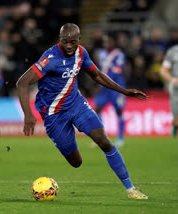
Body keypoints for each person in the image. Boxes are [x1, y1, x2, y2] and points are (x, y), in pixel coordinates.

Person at [16, 23, 148, 199]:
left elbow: (97, 75)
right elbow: (22, 83)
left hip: (77, 104)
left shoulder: (81, 53)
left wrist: (124, 91)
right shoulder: (50, 59)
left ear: (79, 40)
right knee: (76, 162)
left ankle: (130, 189)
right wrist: (28, 114)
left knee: (104, 141)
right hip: (54, 114)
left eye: (73, 41)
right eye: (65, 42)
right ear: (59, 40)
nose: (69, 46)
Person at [94, 33, 126, 147]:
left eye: (108, 42)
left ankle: (121, 138)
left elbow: (116, 72)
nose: (106, 44)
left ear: (114, 42)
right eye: (105, 42)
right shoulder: (101, 53)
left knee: (119, 111)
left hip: (115, 87)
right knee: (97, 109)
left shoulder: (119, 55)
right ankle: (101, 138)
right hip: (104, 88)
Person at [161, 44, 178, 138]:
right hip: (176, 88)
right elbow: (163, 70)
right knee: (176, 118)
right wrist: (172, 80)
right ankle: (175, 125)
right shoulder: (173, 51)